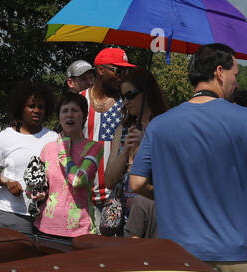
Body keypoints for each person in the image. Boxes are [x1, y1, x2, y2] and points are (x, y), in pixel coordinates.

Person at [128, 43, 247, 272]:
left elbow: (137, 183)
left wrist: (168, 196)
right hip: (235, 254)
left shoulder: (160, 125)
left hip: (177, 257)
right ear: (219, 72)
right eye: (235, 74)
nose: (237, 83)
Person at [0, 81, 58, 235]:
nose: (37, 111)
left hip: (47, 216)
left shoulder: (54, 138)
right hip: (12, 214)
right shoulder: (3, 138)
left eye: (41, 107)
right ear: (21, 108)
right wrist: (6, 182)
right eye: (31, 106)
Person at [105, 67, 168, 238]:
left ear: (147, 93)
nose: (125, 101)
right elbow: (109, 181)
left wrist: (147, 143)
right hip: (124, 219)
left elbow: (172, 175)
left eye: (130, 95)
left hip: (157, 218)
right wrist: (125, 151)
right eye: (123, 96)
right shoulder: (123, 130)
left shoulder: (167, 126)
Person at [31, 92, 103, 238]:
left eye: (75, 110)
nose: (69, 115)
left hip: (80, 231)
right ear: (59, 117)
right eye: (64, 111)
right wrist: (36, 192)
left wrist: (64, 151)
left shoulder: (94, 148)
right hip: (44, 229)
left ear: (83, 117)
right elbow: (40, 186)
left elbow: (77, 180)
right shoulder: (48, 149)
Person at [87, 47, 132, 230]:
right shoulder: (78, 102)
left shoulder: (128, 105)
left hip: (117, 198)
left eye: (125, 71)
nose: (122, 76)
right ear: (100, 70)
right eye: (117, 70)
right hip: (82, 199)